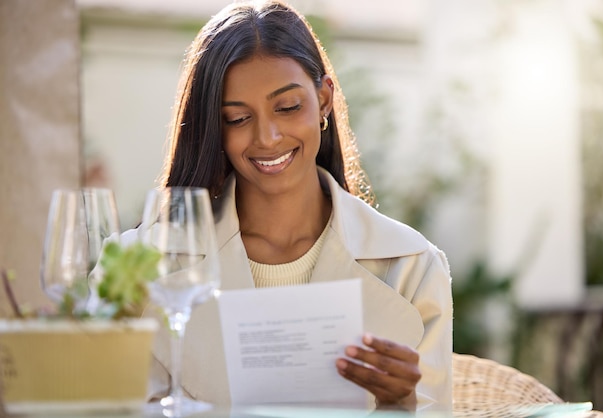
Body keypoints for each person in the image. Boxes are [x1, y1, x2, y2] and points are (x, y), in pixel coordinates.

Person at [145, 0, 453, 411]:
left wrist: (402, 402)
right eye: (237, 118)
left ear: (324, 99)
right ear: (213, 128)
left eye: (288, 107)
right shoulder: (152, 264)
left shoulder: (411, 267)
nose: (267, 137)